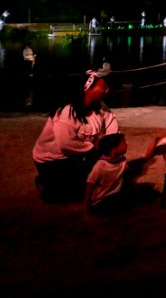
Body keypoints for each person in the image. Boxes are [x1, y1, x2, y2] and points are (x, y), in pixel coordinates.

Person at [32, 70, 119, 203]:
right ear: (88, 89)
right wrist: (94, 150)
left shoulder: (100, 107)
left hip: (79, 154)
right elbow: (66, 144)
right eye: (102, 87)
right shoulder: (66, 113)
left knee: (101, 177)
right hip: (52, 160)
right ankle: (45, 181)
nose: (107, 90)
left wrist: (112, 146)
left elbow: (111, 123)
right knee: (70, 195)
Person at [84, 133, 155, 215]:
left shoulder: (121, 160)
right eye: (123, 142)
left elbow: (144, 159)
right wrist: (87, 212)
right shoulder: (100, 166)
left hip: (116, 195)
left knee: (147, 190)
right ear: (114, 148)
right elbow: (89, 188)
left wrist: (155, 142)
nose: (126, 144)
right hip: (102, 201)